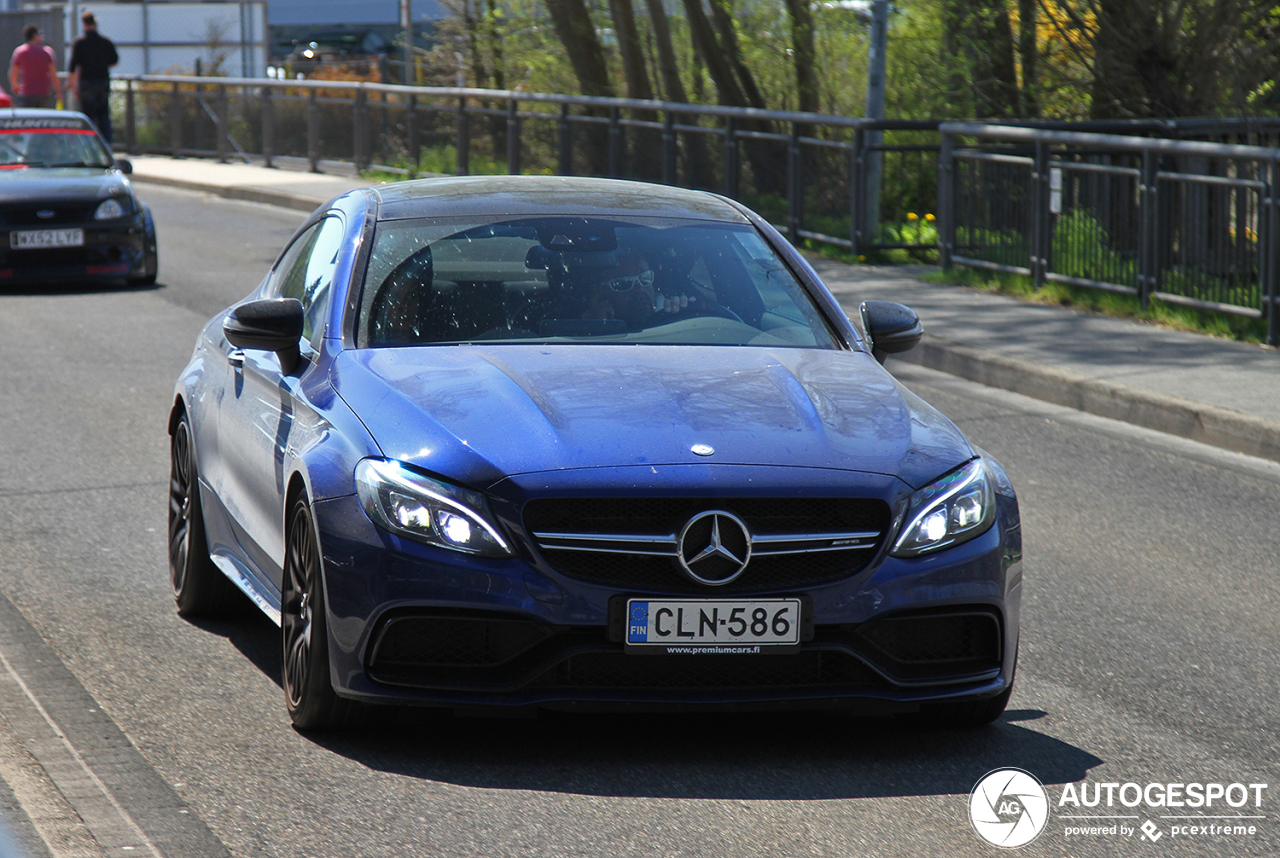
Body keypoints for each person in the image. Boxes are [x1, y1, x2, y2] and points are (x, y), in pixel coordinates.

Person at [69, 11, 118, 142]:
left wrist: (72, 85)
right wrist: (102, 64)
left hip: (86, 83)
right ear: (95, 23)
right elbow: (114, 60)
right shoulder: (105, 42)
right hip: (102, 82)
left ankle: (88, 143)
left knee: (88, 115)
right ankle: (107, 144)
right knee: (103, 114)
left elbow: (73, 66)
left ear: (84, 24)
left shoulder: (79, 43)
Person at [9, 25, 61, 109]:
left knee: (28, 118)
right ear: (35, 36)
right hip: (43, 92)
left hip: (26, 92)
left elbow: (13, 72)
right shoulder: (47, 52)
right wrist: (59, 92)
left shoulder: (20, 52)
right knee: (44, 118)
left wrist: (15, 86)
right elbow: (53, 74)